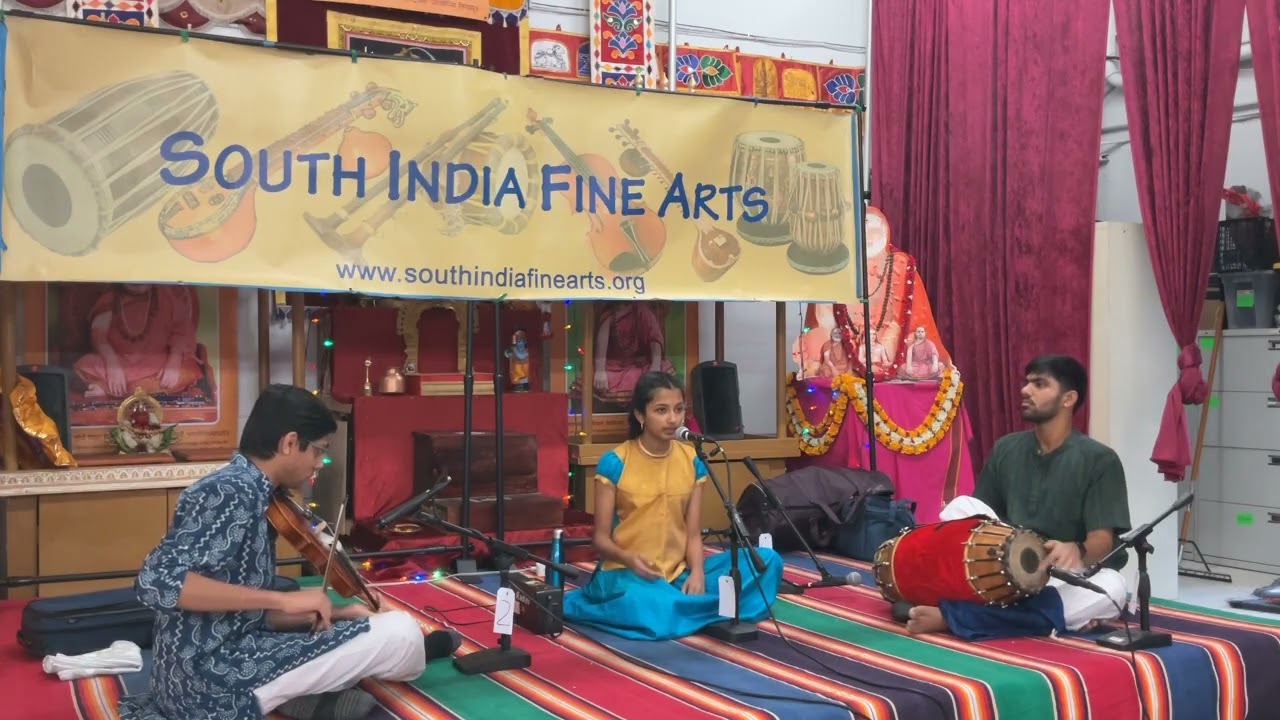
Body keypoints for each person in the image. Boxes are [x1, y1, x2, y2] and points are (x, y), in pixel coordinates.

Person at [118, 384, 462, 720]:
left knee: (351, 625)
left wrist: (341, 613)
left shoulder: (260, 493)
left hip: (224, 656)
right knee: (398, 631)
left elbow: (238, 615)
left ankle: (307, 696)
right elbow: (156, 583)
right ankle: (328, 685)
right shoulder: (228, 491)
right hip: (209, 680)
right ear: (290, 443)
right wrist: (280, 600)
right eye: (319, 450)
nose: (321, 462)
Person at [902, 355, 1131, 640]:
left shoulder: (1099, 460)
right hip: (1005, 571)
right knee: (960, 507)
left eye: (1039, 384)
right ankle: (1045, 619)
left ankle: (956, 616)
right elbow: (978, 519)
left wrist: (1077, 549)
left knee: (1112, 589)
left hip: (1061, 578)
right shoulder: (1007, 449)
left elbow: (1103, 541)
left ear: (1068, 398)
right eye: (1026, 382)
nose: (1025, 390)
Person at [563, 372, 785, 640]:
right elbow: (599, 539)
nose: (673, 419)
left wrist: (699, 574)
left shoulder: (692, 460)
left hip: (678, 573)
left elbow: (692, 533)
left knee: (767, 562)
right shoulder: (616, 462)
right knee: (654, 605)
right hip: (628, 575)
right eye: (661, 410)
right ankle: (710, 609)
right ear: (640, 415)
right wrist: (630, 559)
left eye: (678, 409)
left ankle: (690, 608)